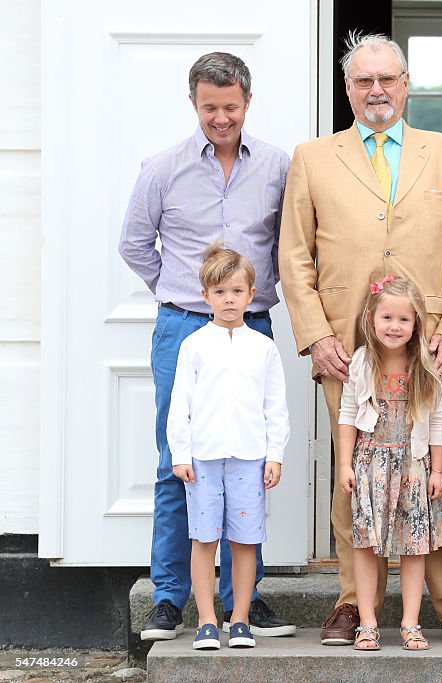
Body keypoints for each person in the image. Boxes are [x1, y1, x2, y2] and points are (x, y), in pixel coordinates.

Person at [278, 32, 442, 646]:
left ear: (405, 85)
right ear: (347, 89)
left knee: (436, 474)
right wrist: (315, 336)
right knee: (353, 477)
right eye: (363, 80)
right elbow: (295, 254)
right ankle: (352, 602)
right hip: (346, 349)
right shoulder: (313, 157)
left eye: (387, 79)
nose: (376, 90)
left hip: (428, 349)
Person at [118, 52, 295, 641]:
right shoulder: (163, 168)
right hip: (182, 328)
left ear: (248, 102)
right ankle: (169, 600)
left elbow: (291, 244)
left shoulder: (276, 166)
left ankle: (242, 602)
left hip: (254, 328)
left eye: (231, 107)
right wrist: (176, 294)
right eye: (209, 107)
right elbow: (136, 244)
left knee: (247, 460)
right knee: (180, 463)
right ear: (193, 103)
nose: (221, 118)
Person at [166, 244, 289, 651]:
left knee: (244, 539)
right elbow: (179, 404)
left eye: (237, 291)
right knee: (204, 539)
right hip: (203, 458)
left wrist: (275, 454)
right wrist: (181, 454)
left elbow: (275, 406)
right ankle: (205, 620)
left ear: (251, 294)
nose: (229, 300)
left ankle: (239, 620)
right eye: (220, 293)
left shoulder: (263, 348)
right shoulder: (195, 346)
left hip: (249, 458)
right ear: (206, 297)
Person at [335, 276, 442, 651]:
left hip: (413, 465)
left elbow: (439, 421)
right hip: (370, 462)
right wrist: (345, 464)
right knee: (366, 544)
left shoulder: (424, 365)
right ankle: (368, 622)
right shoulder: (361, 362)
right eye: (387, 317)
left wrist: (437, 470)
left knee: (414, 545)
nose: (394, 326)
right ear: (371, 319)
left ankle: (410, 622)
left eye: (404, 320)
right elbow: (347, 414)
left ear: (416, 324)